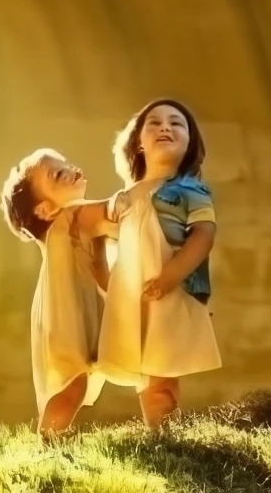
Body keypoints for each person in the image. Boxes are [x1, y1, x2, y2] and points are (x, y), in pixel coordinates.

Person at [97, 99, 222, 428]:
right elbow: (113, 241)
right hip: (134, 292)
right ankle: (155, 431)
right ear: (138, 141)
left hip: (169, 289)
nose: (165, 127)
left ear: (190, 142)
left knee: (163, 366)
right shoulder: (126, 195)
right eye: (154, 122)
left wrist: (172, 275)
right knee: (144, 365)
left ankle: (165, 433)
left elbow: (203, 235)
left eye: (176, 123)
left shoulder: (189, 191)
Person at [0, 148, 118, 435]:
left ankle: (51, 441)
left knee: (76, 384)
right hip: (66, 315)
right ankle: (48, 442)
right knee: (71, 384)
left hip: (80, 311)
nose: (69, 169)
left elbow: (101, 266)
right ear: (46, 210)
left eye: (65, 164)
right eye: (56, 174)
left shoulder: (79, 219)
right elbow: (118, 212)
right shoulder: (72, 217)